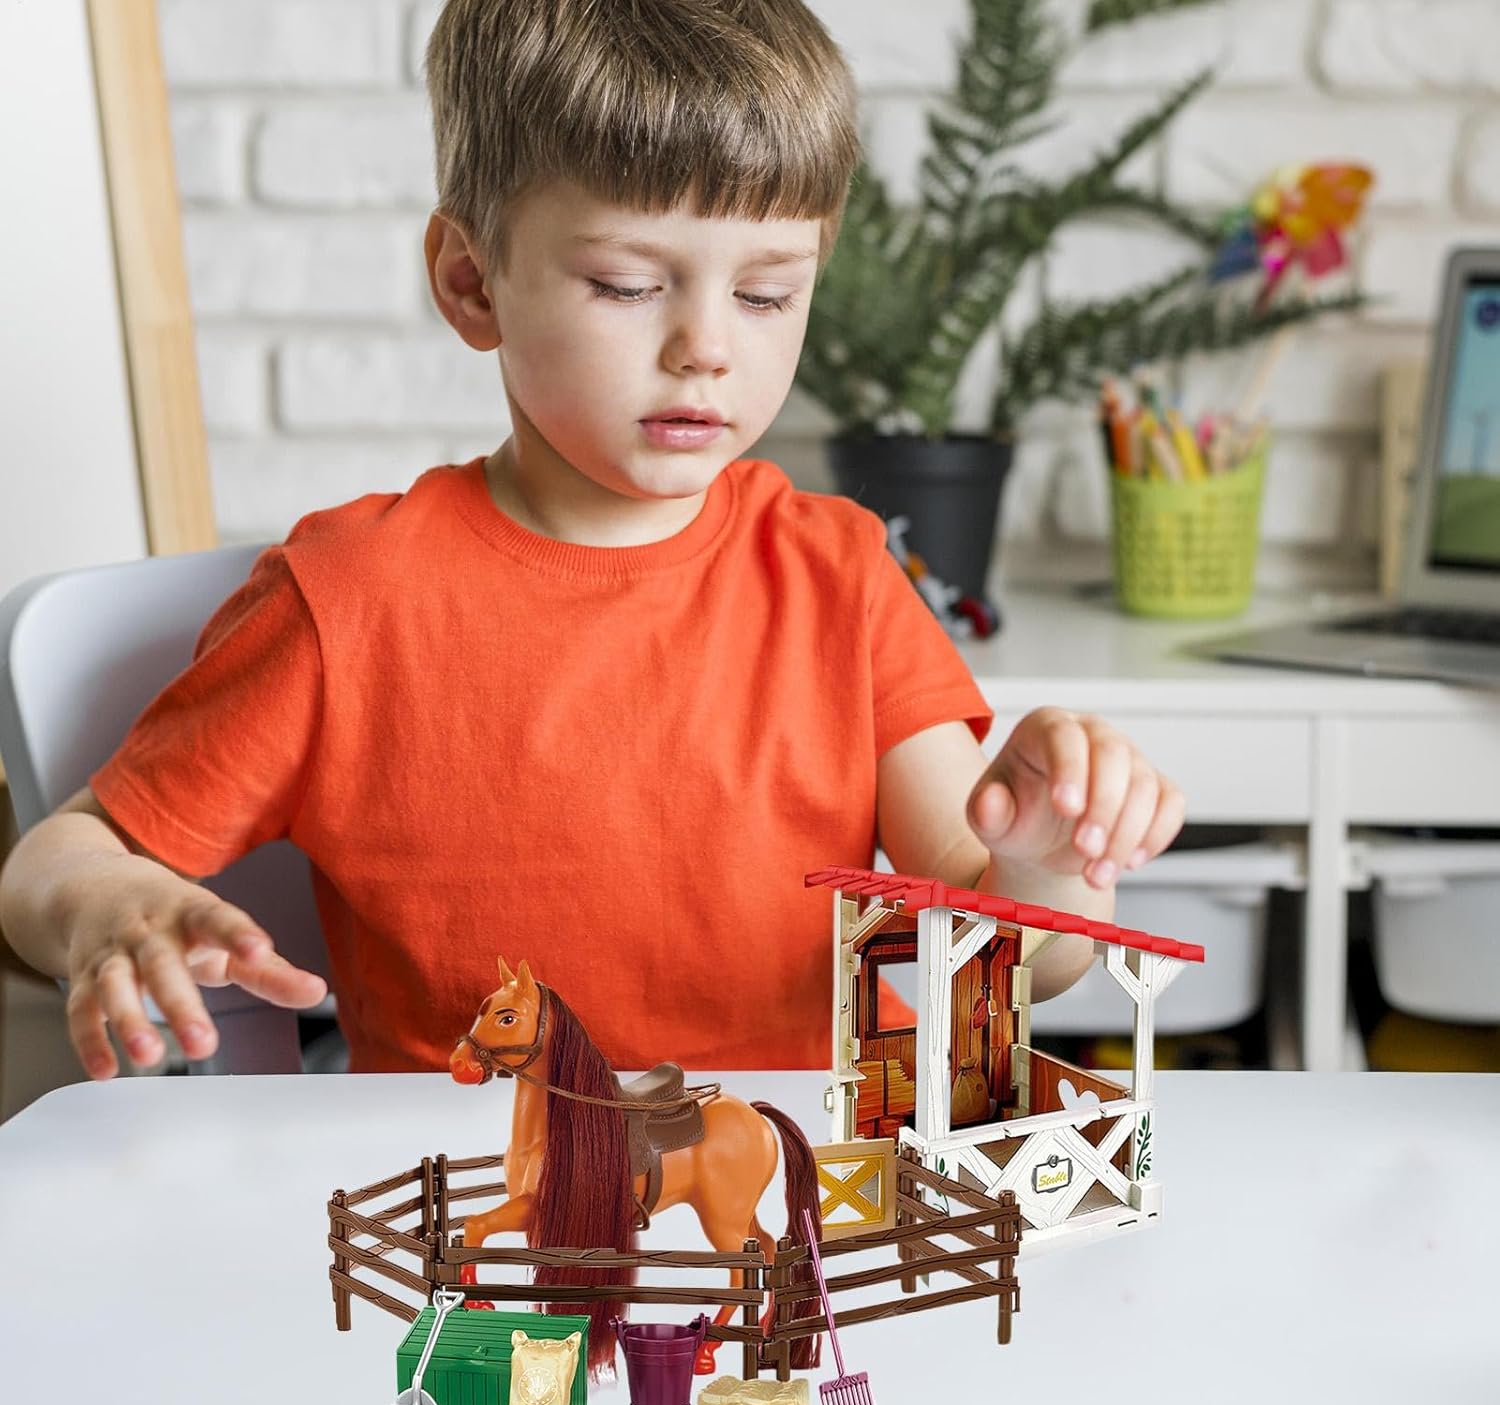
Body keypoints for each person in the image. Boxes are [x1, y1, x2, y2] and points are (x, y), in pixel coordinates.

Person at [0, 0, 1183, 1083]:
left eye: (767, 294)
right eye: (626, 284)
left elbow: (1012, 962)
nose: (706, 347)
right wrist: (105, 907)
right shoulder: (346, 600)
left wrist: (1048, 857)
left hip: (787, 1188)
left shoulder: (841, 578)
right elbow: (57, 858)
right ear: (473, 283)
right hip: (470, 1198)